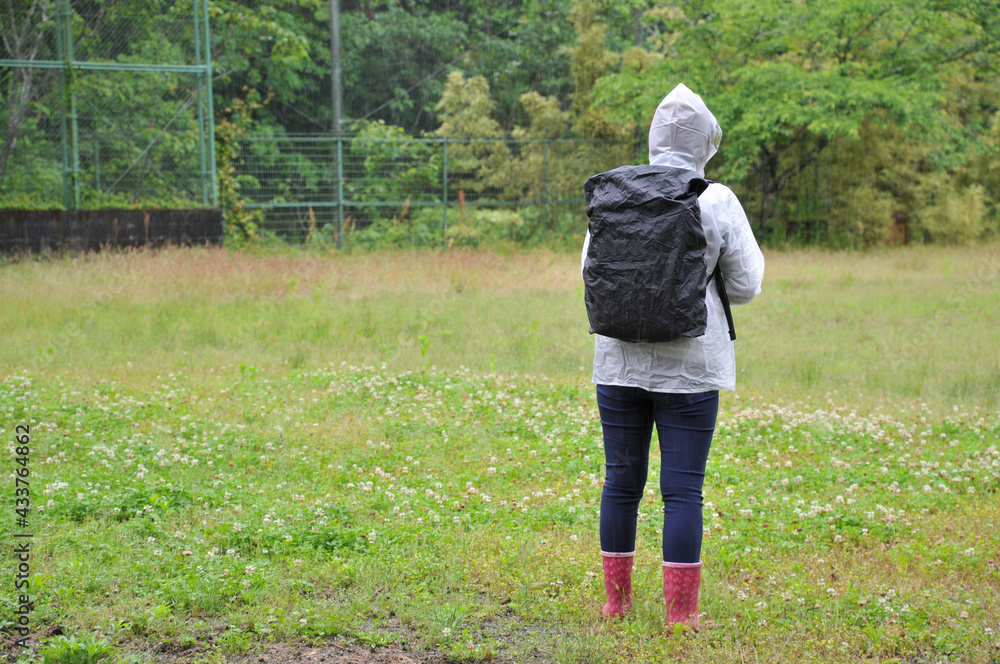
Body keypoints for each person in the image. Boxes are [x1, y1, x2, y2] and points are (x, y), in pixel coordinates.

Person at [581, 83, 765, 628]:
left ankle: (617, 605)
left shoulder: (612, 191)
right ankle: (681, 617)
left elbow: (588, 275)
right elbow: (748, 284)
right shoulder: (715, 198)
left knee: (620, 481)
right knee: (682, 489)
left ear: (654, 135)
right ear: (707, 140)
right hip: (691, 365)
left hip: (617, 361)